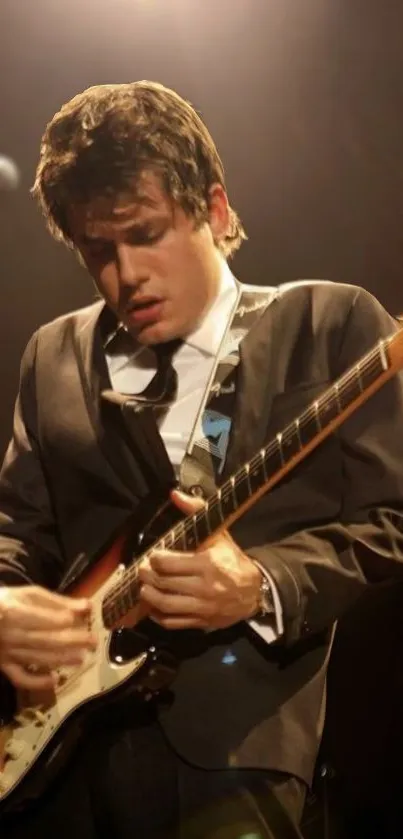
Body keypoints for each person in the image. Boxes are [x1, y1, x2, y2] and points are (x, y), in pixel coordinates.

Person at [0, 81, 403, 839]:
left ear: (215, 211)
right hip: (50, 763)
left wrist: (260, 584)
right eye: (98, 251)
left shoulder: (330, 322)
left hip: (235, 751)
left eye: (145, 233)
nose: (125, 276)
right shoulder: (51, 355)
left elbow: (392, 521)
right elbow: (18, 529)